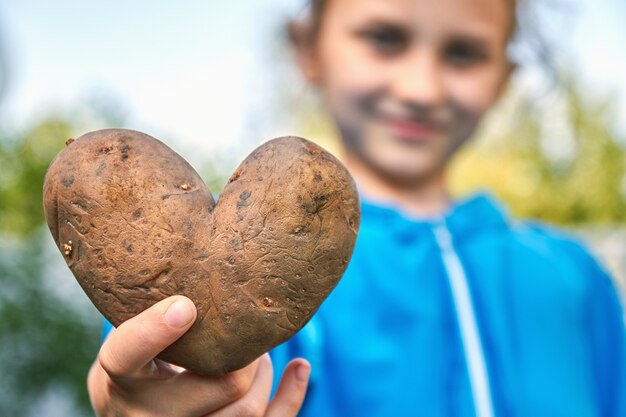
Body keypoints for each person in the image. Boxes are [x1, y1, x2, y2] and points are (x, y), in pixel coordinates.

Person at [88, 0, 626, 415]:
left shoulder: (574, 278)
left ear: (503, 78)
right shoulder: (249, 278)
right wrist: (139, 395)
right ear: (308, 48)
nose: (421, 88)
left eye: (463, 53)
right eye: (384, 39)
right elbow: (160, 382)